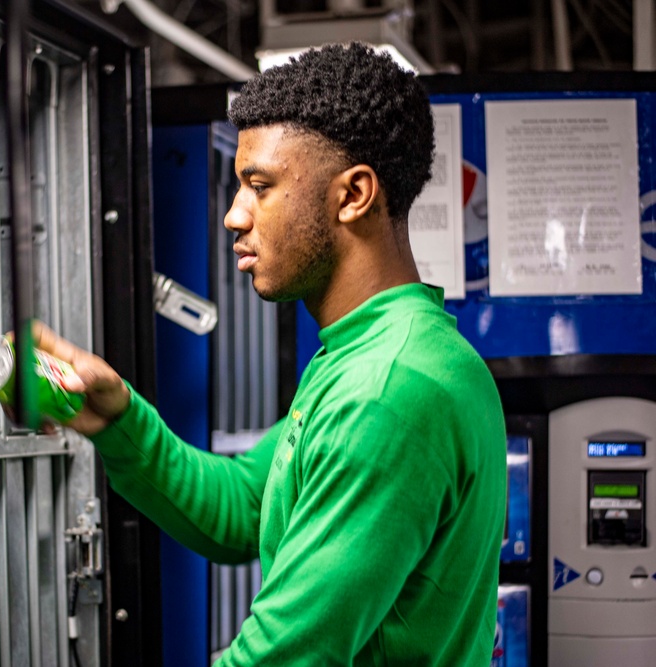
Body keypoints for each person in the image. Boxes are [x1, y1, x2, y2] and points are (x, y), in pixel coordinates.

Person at [34, 43, 506, 666]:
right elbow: (244, 508)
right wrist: (119, 420)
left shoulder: (386, 390)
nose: (234, 216)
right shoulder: (372, 356)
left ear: (353, 194)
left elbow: (281, 657)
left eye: (260, 186)